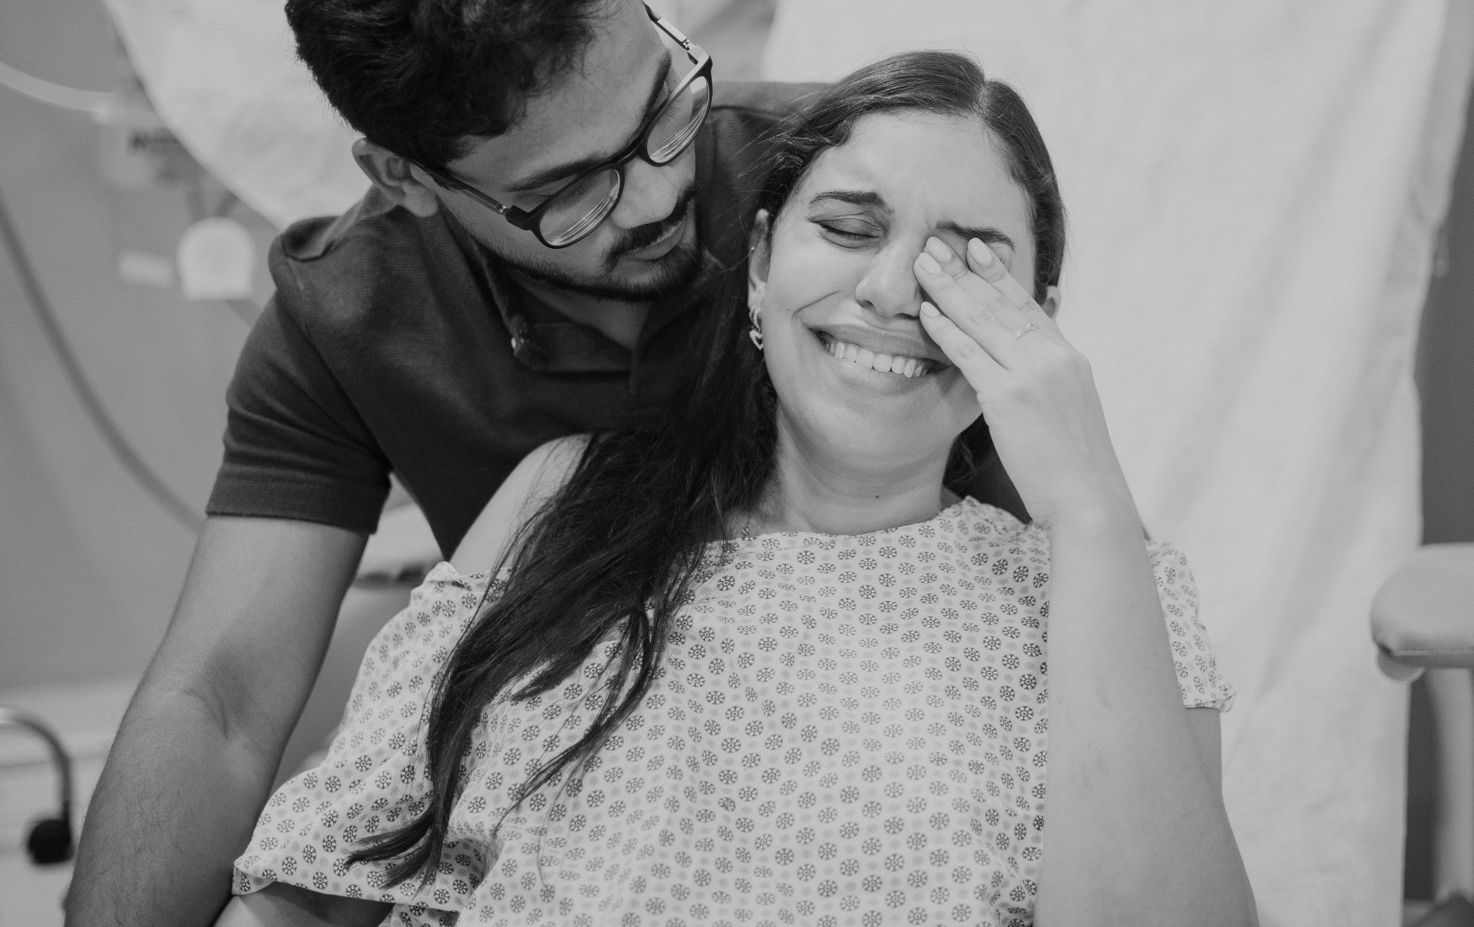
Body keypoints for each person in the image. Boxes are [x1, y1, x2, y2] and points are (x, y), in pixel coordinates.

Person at [66, 0, 1031, 926]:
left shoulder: (838, 204)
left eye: (664, 104)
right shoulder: (347, 322)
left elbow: (1043, 581)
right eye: (572, 191)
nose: (659, 195)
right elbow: (221, 702)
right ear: (406, 178)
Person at [216, 54, 1257, 927]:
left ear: (1040, 320)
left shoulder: (1107, 589)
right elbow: (320, 886)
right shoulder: (564, 501)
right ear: (760, 264)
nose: (892, 291)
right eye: (848, 228)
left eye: (968, 263)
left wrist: (1087, 501)